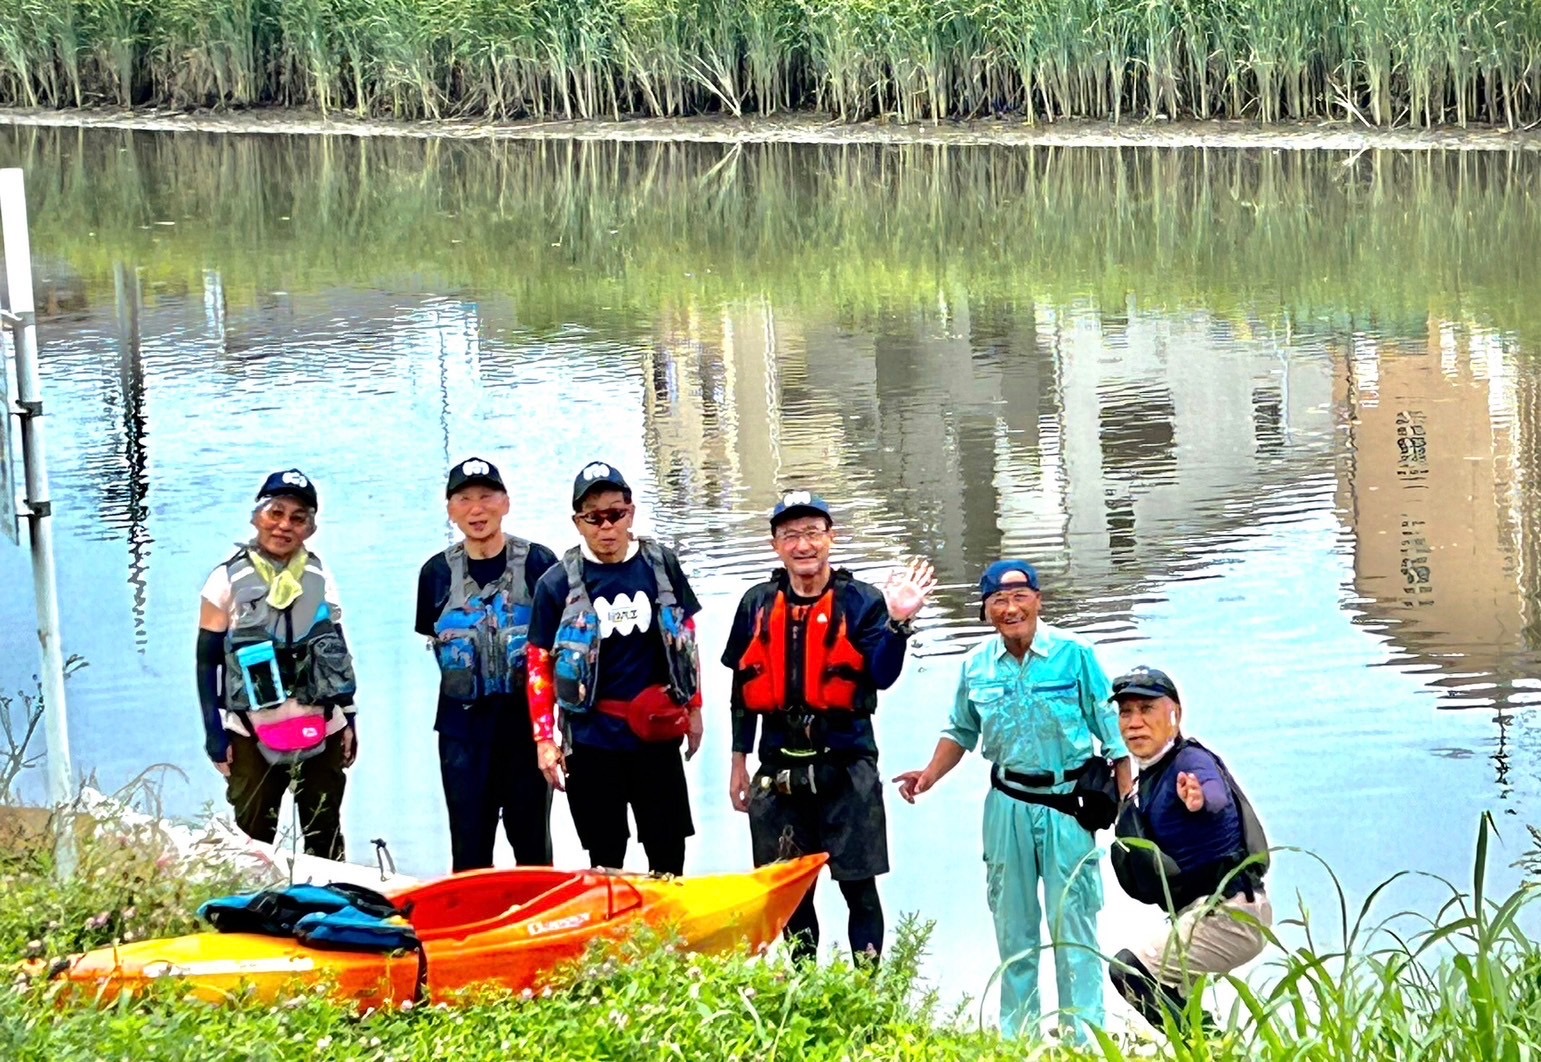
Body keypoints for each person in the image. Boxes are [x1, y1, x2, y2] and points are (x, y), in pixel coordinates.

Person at [894, 560, 1131, 1040]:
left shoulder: (1075, 654)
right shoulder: (975, 664)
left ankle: (1084, 1041)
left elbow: (1115, 737)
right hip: (1006, 806)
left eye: (1020, 596)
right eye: (998, 601)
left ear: (1038, 600)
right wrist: (930, 775)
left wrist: (1130, 811)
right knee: (1014, 929)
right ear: (985, 611)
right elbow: (960, 730)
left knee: (1075, 929)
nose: (1010, 608)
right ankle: (1015, 1040)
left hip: (1069, 806)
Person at [721, 491, 935, 964]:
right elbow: (742, 688)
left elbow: (883, 675)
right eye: (791, 535)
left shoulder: (862, 601)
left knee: (859, 888)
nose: (803, 545)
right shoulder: (755, 603)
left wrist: (899, 625)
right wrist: (739, 761)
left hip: (847, 763)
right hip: (777, 768)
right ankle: (804, 988)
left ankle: (867, 991)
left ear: (831, 538)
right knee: (793, 894)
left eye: (813, 533)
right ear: (776, 544)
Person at [525, 461, 704, 875]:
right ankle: (616, 935)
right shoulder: (556, 584)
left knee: (668, 852)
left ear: (631, 513)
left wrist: (694, 709)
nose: (606, 527)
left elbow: (688, 638)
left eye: (616, 514)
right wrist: (544, 740)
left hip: (656, 733)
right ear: (578, 523)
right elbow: (539, 663)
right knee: (606, 857)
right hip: (591, 740)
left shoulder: (662, 566)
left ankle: (670, 934)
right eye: (594, 518)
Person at [196, 469, 358, 860]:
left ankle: (329, 913)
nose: (284, 525)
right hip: (251, 733)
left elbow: (337, 649)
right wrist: (214, 734)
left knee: (325, 837)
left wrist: (350, 717)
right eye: (275, 513)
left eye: (297, 517)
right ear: (257, 517)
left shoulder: (321, 576)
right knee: (253, 845)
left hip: (322, 727)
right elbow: (207, 664)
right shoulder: (225, 580)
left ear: (310, 527)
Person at [1106, 666, 1272, 1033]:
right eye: (1125, 712)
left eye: (1146, 710)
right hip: (1196, 915)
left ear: (1174, 715)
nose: (1134, 723)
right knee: (1175, 1001)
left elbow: (1212, 793)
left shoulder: (1191, 762)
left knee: (1130, 971)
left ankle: (1212, 1050)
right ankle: (1214, 1049)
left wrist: (1199, 799)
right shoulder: (1146, 778)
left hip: (1231, 915)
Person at [415, 457, 558, 872]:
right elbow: (432, 634)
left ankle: (538, 928)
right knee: (469, 850)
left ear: (506, 502)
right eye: (464, 499)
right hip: (463, 735)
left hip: (524, 731)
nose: (477, 509)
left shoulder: (538, 564)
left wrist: (552, 732)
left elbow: (556, 647)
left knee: (533, 848)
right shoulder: (436, 573)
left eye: (486, 497)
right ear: (451, 509)